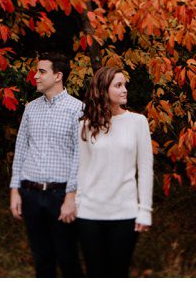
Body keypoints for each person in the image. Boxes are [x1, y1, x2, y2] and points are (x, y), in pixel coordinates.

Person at [9, 53, 85, 278]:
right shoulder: (31, 108)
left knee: (68, 259)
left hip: (60, 195)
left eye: (42, 71)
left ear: (58, 76)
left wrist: (71, 197)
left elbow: (80, 157)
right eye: (37, 71)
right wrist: (15, 190)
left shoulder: (78, 109)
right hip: (30, 194)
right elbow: (21, 149)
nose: (36, 76)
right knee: (42, 259)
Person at [75, 66, 154, 278]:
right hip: (89, 213)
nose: (124, 90)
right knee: (95, 274)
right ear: (103, 90)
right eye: (118, 85)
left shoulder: (138, 122)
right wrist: (77, 204)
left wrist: (145, 209)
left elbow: (145, 168)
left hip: (124, 213)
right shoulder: (86, 125)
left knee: (118, 273)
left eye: (124, 85)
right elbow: (82, 169)